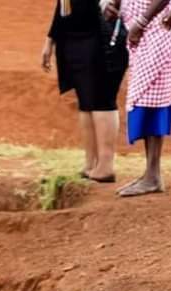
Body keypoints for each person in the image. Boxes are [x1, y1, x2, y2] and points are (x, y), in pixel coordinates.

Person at [110, 0, 171, 197]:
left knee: (154, 97)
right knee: (149, 96)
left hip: (156, 27)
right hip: (147, 27)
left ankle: (153, 175)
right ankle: (151, 173)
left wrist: (142, 21)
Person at [42, 0, 128, 182]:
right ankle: (91, 163)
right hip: (74, 38)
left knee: (102, 99)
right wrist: (50, 40)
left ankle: (105, 165)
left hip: (102, 35)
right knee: (85, 101)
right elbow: (63, 4)